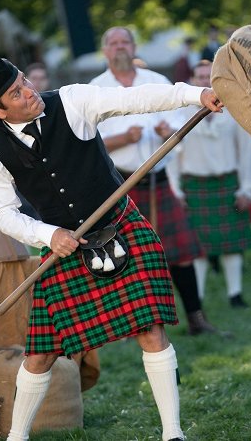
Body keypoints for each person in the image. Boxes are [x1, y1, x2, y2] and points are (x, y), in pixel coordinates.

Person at [0, 56, 222, 441]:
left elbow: (138, 98)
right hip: (64, 249)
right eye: (16, 93)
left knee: (150, 328)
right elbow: (2, 213)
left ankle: (173, 433)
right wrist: (48, 234)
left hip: (120, 226)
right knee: (41, 353)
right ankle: (16, 438)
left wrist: (196, 94)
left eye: (25, 81)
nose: (30, 92)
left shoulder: (71, 101)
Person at [90, 27, 225, 333]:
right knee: (125, 257)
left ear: (134, 46)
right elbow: (88, 142)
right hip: (121, 184)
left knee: (180, 253)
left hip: (158, 179)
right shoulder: (95, 90)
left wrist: (169, 132)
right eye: (113, 43)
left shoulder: (157, 82)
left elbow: (181, 123)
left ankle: (196, 318)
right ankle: (129, 326)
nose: (120, 47)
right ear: (106, 51)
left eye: (125, 41)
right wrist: (124, 138)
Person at [167, 60, 251, 308]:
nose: (204, 80)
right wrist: (175, 190)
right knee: (196, 248)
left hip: (228, 183)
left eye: (209, 76)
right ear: (193, 81)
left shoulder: (234, 110)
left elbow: (247, 151)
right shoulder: (181, 112)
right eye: (199, 77)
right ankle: (198, 297)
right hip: (194, 185)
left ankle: (235, 294)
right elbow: (172, 155)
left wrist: (248, 187)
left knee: (231, 247)